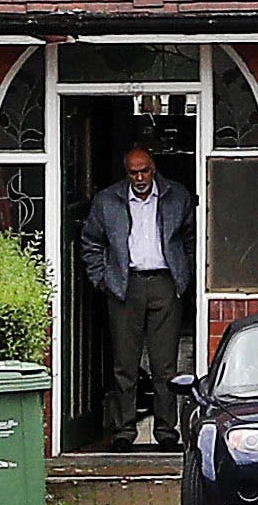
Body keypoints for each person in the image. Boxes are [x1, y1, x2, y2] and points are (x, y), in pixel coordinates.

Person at [71, 139, 198, 448]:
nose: (139, 179)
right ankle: (125, 431)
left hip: (165, 284)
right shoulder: (107, 201)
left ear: (153, 169)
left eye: (144, 171)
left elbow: (192, 238)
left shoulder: (176, 196)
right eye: (133, 173)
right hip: (124, 285)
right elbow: (90, 242)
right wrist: (103, 280)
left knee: (165, 366)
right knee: (124, 365)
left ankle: (167, 433)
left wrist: (186, 275)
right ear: (126, 173)